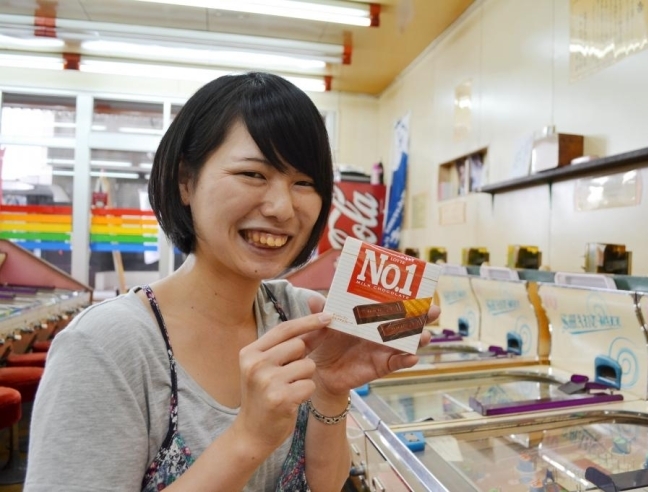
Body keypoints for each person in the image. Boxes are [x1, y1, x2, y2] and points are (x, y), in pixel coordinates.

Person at [25, 72, 437, 491]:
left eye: (304, 183)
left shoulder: (294, 316)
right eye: (253, 174)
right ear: (186, 181)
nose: (281, 207)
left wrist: (330, 392)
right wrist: (247, 439)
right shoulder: (105, 348)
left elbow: (324, 485)